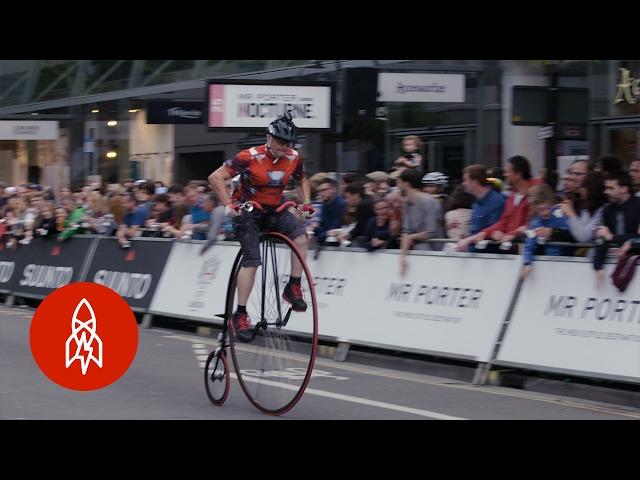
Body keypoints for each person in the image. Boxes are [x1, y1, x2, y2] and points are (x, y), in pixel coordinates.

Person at [208, 112, 314, 342]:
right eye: (280, 142)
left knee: (300, 236)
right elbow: (216, 177)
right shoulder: (249, 157)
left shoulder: (294, 158)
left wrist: (305, 203)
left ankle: (293, 286)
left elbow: (303, 179)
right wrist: (228, 204)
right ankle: (241, 314)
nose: (284, 147)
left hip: (274, 210)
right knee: (253, 261)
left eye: (288, 143)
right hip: (248, 212)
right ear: (269, 137)